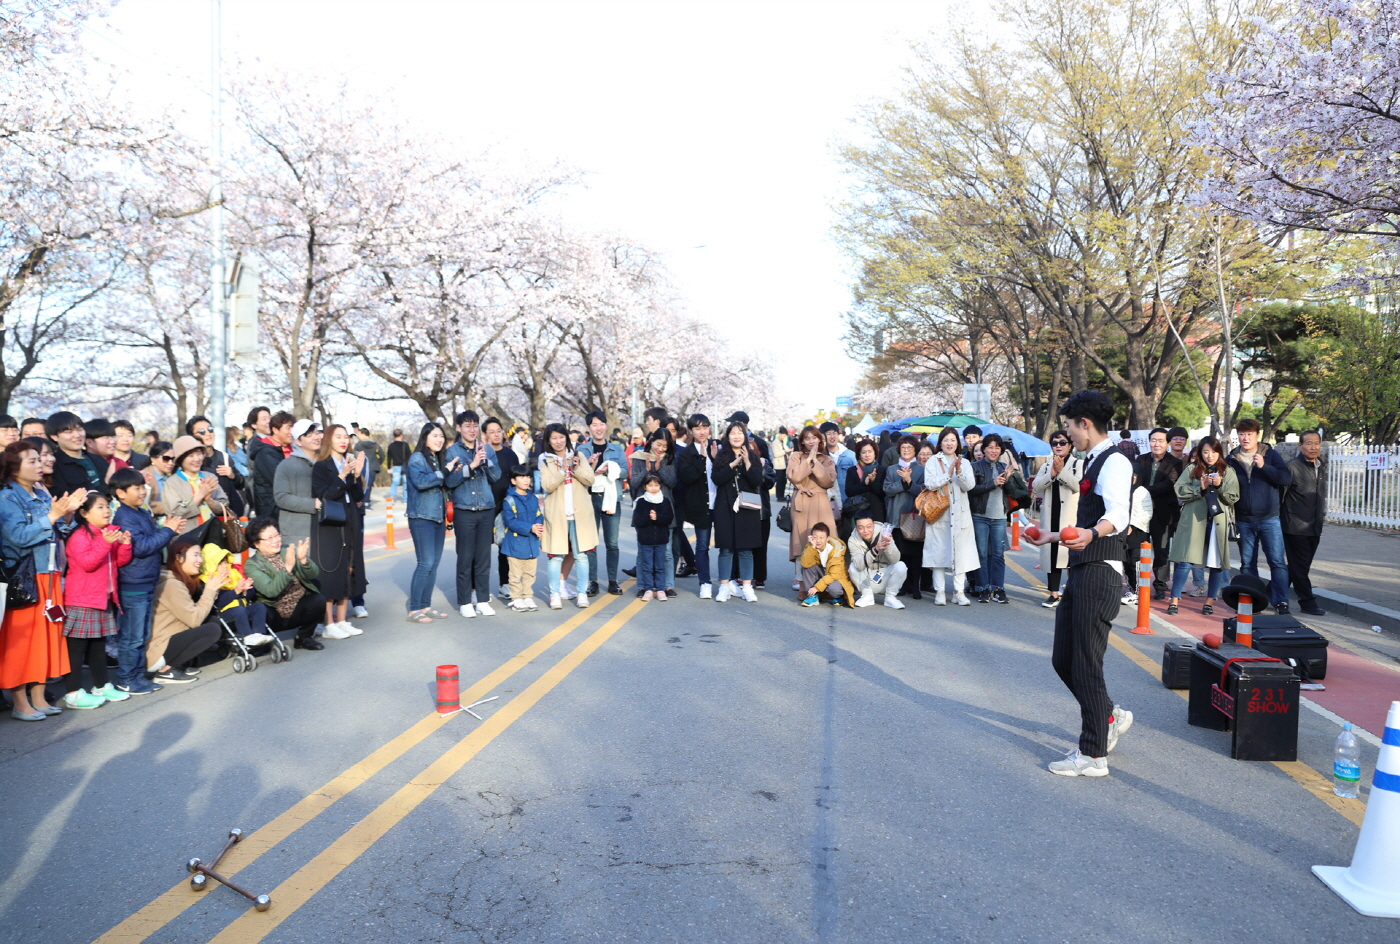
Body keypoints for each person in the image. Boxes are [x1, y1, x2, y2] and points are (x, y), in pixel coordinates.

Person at [1025, 390, 1135, 778]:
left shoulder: (1115, 460)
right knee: (1064, 660)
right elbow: (1086, 524)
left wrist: (1092, 533)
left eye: (1069, 426)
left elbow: (1119, 514)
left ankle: (1092, 755)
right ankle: (1108, 715)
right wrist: (1051, 537)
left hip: (1101, 571)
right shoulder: (1091, 460)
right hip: (1083, 569)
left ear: (1084, 423)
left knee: (1086, 663)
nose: (1067, 434)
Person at [0, 443, 84, 720]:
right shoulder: (6, 497)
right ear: (14, 467)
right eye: (32, 461)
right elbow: (18, 537)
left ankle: (38, 698)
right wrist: (54, 514)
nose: (40, 464)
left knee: (46, 639)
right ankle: (20, 703)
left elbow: (61, 530)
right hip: (25, 577)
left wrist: (68, 513)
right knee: (22, 642)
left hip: (49, 573)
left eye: (40, 459)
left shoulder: (40, 492)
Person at [111, 467, 184, 694]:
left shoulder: (139, 512)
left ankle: (137, 676)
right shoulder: (124, 516)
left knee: (140, 635)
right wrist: (168, 531)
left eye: (143, 486)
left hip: (144, 581)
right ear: (120, 493)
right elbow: (141, 547)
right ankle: (126, 678)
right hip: (133, 584)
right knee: (132, 637)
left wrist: (167, 529)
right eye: (136, 488)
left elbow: (151, 541)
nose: (143, 491)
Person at [61, 492, 133, 708]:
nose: (107, 511)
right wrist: (105, 542)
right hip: (82, 598)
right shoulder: (79, 536)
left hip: (102, 598)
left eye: (108, 506)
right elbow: (88, 563)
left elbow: (120, 561)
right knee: (77, 649)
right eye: (100, 507)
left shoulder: (108, 533)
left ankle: (101, 686)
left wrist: (125, 545)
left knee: (98, 647)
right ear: (84, 513)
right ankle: (73, 693)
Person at [1225, 418, 1293, 614]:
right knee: (1247, 564)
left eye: (1250, 434)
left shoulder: (1270, 454)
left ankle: (1281, 601)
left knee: (1277, 562)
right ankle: (1251, 601)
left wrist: (1264, 466)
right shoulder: (1231, 459)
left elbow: (1285, 478)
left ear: (1257, 435)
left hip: (1269, 518)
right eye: (1242, 434)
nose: (1245, 438)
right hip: (1243, 520)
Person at [1166, 437, 1239, 616]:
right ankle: (1174, 600)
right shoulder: (1192, 469)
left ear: (1219, 453)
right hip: (1194, 521)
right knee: (1185, 561)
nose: (1210, 456)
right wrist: (1200, 487)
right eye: (1206, 452)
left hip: (1217, 522)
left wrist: (1220, 485)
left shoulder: (1228, 471)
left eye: (1214, 452)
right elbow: (1179, 490)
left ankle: (1209, 602)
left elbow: (1233, 496)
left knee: (1216, 564)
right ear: (1200, 453)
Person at [312, 425, 368, 640]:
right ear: (328, 440)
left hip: (350, 519)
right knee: (331, 571)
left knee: (348, 567)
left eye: (346, 437)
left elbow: (358, 496)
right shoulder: (321, 466)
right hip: (330, 524)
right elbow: (324, 495)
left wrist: (355, 475)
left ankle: (342, 620)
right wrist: (342, 475)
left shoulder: (349, 462)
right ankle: (329, 623)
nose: (343, 441)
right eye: (338, 437)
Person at [444, 410, 501, 618]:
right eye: (467, 426)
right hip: (464, 509)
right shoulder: (452, 452)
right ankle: (465, 601)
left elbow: (496, 476)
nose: (472, 430)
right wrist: (472, 465)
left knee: (484, 558)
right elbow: (449, 481)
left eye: (475, 425)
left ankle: (483, 600)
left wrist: (486, 461)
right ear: (459, 428)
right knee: (465, 557)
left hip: (486, 508)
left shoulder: (486, 448)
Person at [148, 540, 224, 683]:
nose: (200, 560)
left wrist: (211, 591)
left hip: (165, 642)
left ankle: (178, 664)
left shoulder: (174, 580)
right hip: (156, 652)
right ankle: (166, 671)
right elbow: (194, 620)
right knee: (212, 630)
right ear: (179, 558)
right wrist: (209, 591)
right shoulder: (171, 585)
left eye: (200, 555)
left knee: (212, 621)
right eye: (195, 555)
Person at [539, 423, 597, 610]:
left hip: (579, 514)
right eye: (554, 438)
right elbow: (547, 486)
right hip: (557, 515)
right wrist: (563, 471)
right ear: (548, 441)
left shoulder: (578, 455)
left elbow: (590, 479)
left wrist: (576, 468)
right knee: (555, 556)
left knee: (581, 556)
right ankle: (554, 594)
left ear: (567, 438)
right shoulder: (545, 460)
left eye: (561, 437)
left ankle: (582, 593)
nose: (558, 441)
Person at [244, 518, 326, 650]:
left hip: (298, 607)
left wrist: (303, 560)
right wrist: (287, 568)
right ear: (256, 543)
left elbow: (313, 574)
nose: (275, 540)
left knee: (318, 599)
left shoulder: (288, 550)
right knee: (261, 609)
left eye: (277, 535)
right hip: (275, 612)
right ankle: (263, 642)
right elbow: (270, 591)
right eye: (269, 538)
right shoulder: (252, 565)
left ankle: (304, 637)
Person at [405, 423, 457, 622]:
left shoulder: (437, 459)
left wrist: (453, 471)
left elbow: (444, 485)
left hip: (437, 516)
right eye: (435, 435)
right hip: (421, 517)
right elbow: (421, 482)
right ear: (425, 437)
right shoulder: (417, 458)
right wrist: (445, 471)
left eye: (441, 436)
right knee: (425, 563)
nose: (439, 439)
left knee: (433, 564)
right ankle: (414, 609)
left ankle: (425, 605)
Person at [710, 420, 764, 603]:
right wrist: (732, 465)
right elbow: (717, 479)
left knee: (745, 549)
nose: (736, 436)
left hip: (747, 508)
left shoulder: (753, 456)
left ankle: (747, 586)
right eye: (732, 432)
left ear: (745, 436)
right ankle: (724, 587)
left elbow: (757, 481)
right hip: (724, 507)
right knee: (726, 549)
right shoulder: (721, 456)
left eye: (740, 432)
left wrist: (746, 462)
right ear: (728, 436)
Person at [923, 427, 978, 605]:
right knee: (938, 554)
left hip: (960, 515)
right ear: (940, 443)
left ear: (958, 443)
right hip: (940, 514)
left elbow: (969, 486)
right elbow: (930, 484)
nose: (949, 443)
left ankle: (958, 592)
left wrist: (959, 471)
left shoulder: (965, 462)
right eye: (946, 440)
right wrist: (948, 474)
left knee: (961, 554)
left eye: (953, 440)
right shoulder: (933, 461)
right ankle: (939, 591)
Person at [968, 433, 1025, 604]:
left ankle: (998, 588)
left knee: (998, 555)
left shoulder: (1003, 466)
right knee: (982, 554)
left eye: (997, 447)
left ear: (1001, 450)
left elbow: (1013, 492)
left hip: (1000, 516)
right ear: (984, 449)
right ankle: (983, 588)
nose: (993, 450)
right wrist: (993, 483)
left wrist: (1008, 479)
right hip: (980, 516)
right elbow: (971, 490)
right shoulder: (974, 466)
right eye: (990, 447)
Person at [577, 411, 626, 597]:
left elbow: (624, 471)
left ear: (606, 426)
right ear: (589, 428)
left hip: (611, 498)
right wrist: (589, 466)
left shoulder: (617, 449)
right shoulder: (582, 450)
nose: (598, 428)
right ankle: (593, 581)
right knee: (591, 542)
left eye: (601, 424)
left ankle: (613, 581)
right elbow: (577, 473)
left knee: (612, 543)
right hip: (590, 499)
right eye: (594, 425)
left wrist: (608, 469)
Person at [1031, 430, 1082, 608]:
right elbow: (1036, 486)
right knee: (1051, 554)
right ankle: (1053, 594)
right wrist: (1052, 474)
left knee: (1069, 555)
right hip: (1050, 515)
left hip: (1070, 516)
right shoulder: (1046, 466)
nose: (1058, 446)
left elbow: (1079, 486)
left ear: (1070, 445)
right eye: (1054, 443)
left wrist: (1061, 472)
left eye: (1062, 442)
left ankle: (1072, 593)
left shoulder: (1078, 464)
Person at [1132, 428, 1183, 599]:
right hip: (1140, 512)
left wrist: (1144, 490)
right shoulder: (1141, 459)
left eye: (1161, 441)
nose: (1156, 444)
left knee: (1161, 551)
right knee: (1138, 548)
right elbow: (1135, 480)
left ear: (1167, 443)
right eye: (1153, 440)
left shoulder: (1175, 463)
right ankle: (1138, 584)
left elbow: (1170, 483)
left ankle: (1160, 585)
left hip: (1163, 513)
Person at [1282, 430, 1328, 616]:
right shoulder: (1291, 467)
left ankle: (1270, 592)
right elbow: (1280, 497)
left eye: (1316, 443)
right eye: (1309, 443)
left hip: (1314, 526)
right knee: (1300, 566)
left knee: (1298, 566)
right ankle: (1307, 602)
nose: (1313, 447)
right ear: (1300, 446)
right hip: (1294, 526)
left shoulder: (1320, 466)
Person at [629, 429, 679, 597]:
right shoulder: (639, 457)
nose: (661, 449)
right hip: (644, 510)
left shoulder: (669, 459)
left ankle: (667, 586)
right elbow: (634, 483)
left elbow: (672, 482)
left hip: (664, 509)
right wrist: (648, 469)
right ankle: (643, 586)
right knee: (643, 552)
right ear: (651, 441)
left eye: (665, 446)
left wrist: (660, 470)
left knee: (666, 552)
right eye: (658, 444)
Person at [788, 425, 837, 591]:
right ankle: (800, 578)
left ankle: (824, 577)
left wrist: (815, 461)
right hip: (801, 502)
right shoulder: (796, 456)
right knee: (801, 540)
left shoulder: (827, 459)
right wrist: (808, 459)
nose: (811, 441)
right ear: (802, 441)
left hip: (820, 502)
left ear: (819, 440)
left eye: (814, 437)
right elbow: (794, 476)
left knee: (825, 539)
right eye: (807, 438)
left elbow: (828, 481)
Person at [676, 413, 716, 599]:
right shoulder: (687, 453)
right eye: (697, 428)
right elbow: (688, 477)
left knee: (728, 546)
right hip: (701, 505)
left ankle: (730, 581)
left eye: (705, 427)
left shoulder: (717, 447)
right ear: (691, 431)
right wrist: (701, 458)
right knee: (702, 546)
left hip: (720, 503)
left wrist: (714, 458)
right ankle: (705, 582)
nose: (702, 432)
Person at [161, 435, 232, 535]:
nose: (197, 459)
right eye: (191, 456)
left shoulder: (209, 477)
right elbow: (175, 513)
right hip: (187, 537)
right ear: (181, 459)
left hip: (214, 535)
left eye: (199, 454)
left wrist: (210, 501)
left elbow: (225, 506)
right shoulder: (172, 483)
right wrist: (200, 495)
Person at [882, 435, 925, 599]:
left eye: (910, 447)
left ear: (915, 450)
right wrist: (902, 483)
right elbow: (887, 489)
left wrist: (909, 482)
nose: (906, 450)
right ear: (898, 450)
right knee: (900, 554)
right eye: (903, 447)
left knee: (915, 554)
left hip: (914, 518)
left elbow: (923, 492)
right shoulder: (891, 469)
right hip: (895, 516)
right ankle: (903, 585)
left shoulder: (921, 469)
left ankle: (915, 586)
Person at [273, 420, 322, 551]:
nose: (316, 437)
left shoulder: (327, 463)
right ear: (298, 442)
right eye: (309, 435)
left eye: (317, 433)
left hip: (325, 528)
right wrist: (313, 504)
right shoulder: (286, 465)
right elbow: (281, 497)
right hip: (298, 532)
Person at [501, 465, 543, 611]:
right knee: (515, 574)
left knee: (530, 573)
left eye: (528, 477)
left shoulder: (533, 498)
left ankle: (527, 596)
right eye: (521, 477)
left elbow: (538, 515)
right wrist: (530, 528)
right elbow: (511, 521)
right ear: (513, 481)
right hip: (515, 543)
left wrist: (538, 525)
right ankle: (516, 598)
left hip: (532, 542)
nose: (526, 480)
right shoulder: (509, 500)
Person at [188, 415, 246, 516]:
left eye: (210, 429)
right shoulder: (189, 462)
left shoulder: (224, 457)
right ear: (192, 436)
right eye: (202, 432)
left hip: (228, 515)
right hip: (203, 516)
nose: (208, 434)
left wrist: (232, 475)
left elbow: (241, 483)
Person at [632, 472, 675, 601]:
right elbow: (637, 521)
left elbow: (669, 518)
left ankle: (661, 589)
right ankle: (648, 589)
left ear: (660, 486)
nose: (653, 488)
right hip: (645, 540)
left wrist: (657, 517)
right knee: (647, 566)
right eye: (650, 485)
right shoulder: (641, 501)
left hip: (661, 539)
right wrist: (649, 517)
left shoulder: (665, 500)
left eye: (656, 485)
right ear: (645, 487)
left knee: (660, 565)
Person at [848, 515, 906, 609]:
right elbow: (859, 565)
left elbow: (896, 559)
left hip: (885, 575)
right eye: (861, 528)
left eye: (869, 526)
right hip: (866, 577)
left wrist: (887, 547)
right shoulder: (852, 540)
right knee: (853, 567)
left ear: (874, 525)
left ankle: (890, 597)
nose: (865, 531)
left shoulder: (885, 533)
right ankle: (867, 596)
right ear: (856, 528)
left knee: (901, 566)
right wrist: (875, 550)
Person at [49, 411, 109, 497]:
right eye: (69, 432)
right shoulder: (54, 465)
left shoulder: (98, 459)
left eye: (79, 429)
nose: (77, 435)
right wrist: (106, 485)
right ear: (54, 437)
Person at [248, 410, 295, 519]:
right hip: (271, 509)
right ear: (275, 430)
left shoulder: (290, 448)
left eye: (293, 427)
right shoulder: (265, 452)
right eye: (288, 428)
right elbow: (280, 479)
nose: (292, 432)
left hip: (285, 507)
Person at [798, 522, 854, 607]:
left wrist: (816, 587)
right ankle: (813, 596)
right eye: (815, 537)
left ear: (827, 539)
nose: (818, 540)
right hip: (823, 573)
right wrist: (812, 547)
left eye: (821, 537)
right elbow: (805, 564)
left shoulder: (836, 550)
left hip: (836, 577)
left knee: (834, 589)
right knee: (806, 568)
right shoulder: (810, 547)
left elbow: (833, 575)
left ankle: (838, 596)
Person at [844, 440, 886, 526]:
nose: (867, 455)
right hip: (857, 511)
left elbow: (883, 492)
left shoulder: (882, 470)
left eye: (870, 451)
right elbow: (849, 492)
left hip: (877, 511)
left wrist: (872, 482)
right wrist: (865, 483)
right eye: (863, 452)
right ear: (859, 454)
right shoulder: (852, 470)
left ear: (875, 453)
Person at [353, 428, 384, 508]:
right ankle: (366, 502)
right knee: (369, 485)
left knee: (361, 484)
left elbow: (354, 455)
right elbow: (382, 455)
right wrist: (377, 463)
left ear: (363, 434)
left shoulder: (358, 445)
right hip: (373, 467)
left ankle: (361, 502)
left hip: (362, 467)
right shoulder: (375, 444)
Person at [387, 429, 410, 506]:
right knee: (405, 483)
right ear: (401, 435)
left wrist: (389, 467)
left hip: (396, 466)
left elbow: (389, 457)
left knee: (395, 482)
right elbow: (409, 456)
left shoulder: (391, 446)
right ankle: (405, 499)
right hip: (405, 466)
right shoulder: (405, 445)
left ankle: (392, 497)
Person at [772, 426, 791, 501]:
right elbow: (776, 454)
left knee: (784, 481)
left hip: (784, 464)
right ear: (780, 434)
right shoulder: (775, 443)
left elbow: (786, 449)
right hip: (779, 465)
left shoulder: (783, 442)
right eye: (783, 435)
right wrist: (785, 451)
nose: (784, 437)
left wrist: (789, 451)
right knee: (779, 482)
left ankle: (782, 496)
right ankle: (779, 497)